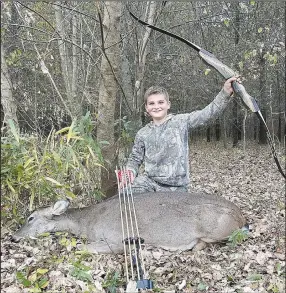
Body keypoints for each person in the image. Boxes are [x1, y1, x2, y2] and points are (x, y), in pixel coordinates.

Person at [122, 77, 239, 194]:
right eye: (151, 103)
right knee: (125, 193)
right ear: (147, 108)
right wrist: (130, 172)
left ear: (168, 105)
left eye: (161, 102)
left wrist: (224, 93)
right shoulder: (142, 133)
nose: (156, 106)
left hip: (176, 185)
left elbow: (206, 115)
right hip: (150, 183)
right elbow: (135, 158)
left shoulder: (180, 122)